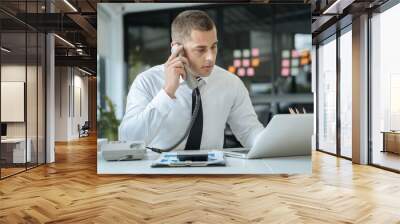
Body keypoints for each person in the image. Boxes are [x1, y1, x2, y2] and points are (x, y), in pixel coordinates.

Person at [119, 10, 263, 151]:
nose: (210, 57)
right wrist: (168, 92)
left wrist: (274, 142)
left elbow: (249, 131)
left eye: (213, 46)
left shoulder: (231, 83)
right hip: (160, 171)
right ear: (176, 48)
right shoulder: (147, 81)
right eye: (200, 50)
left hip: (213, 171)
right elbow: (129, 139)